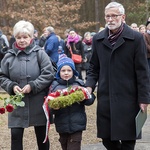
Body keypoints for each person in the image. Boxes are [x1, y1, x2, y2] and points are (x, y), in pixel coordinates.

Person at [85, 2, 150, 150]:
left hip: (128, 97)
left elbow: (142, 71)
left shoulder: (136, 38)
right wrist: (89, 86)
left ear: (123, 17)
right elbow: (93, 67)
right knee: (106, 139)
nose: (110, 19)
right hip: (105, 97)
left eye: (114, 15)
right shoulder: (98, 39)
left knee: (128, 140)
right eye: (107, 16)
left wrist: (144, 98)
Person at [0, 20, 55, 150]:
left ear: (31, 37)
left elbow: (48, 74)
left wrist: (33, 85)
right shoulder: (8, 56)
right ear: (15, 38)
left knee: (42, 137)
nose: (22, 40)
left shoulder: (40, 53)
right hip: (17, 104)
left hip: (38, 102)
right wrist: (12, 86)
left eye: (25, 37)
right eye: (19, 37)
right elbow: (1, 76)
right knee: (15, 136)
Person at [48, 54, 95, 150]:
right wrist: (53, 107)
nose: (66, 73)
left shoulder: (79, 84)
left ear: (73, 72)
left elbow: (91, 99)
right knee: (64, 146)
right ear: (58, 72)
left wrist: (84, 98)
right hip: (62, 125)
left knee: (74, 147)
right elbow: (49, 105)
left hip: (77, 124)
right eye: (63, 70)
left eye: (69, 70)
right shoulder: (54, 87)